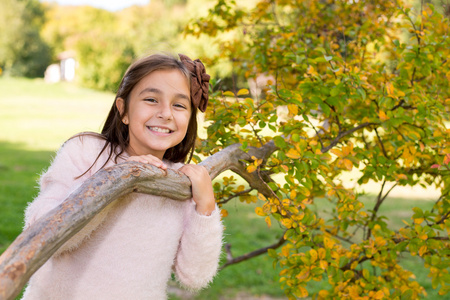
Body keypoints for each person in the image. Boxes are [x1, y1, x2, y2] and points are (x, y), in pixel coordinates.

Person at [21, 53, 223, 299]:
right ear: (123, 110)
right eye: (151, 99)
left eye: (179, 105)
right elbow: (41, 233)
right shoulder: (86, 152)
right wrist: (116, 180)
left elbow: (195, 276)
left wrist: (205, 207)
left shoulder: (181, 181)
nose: (166, 113)